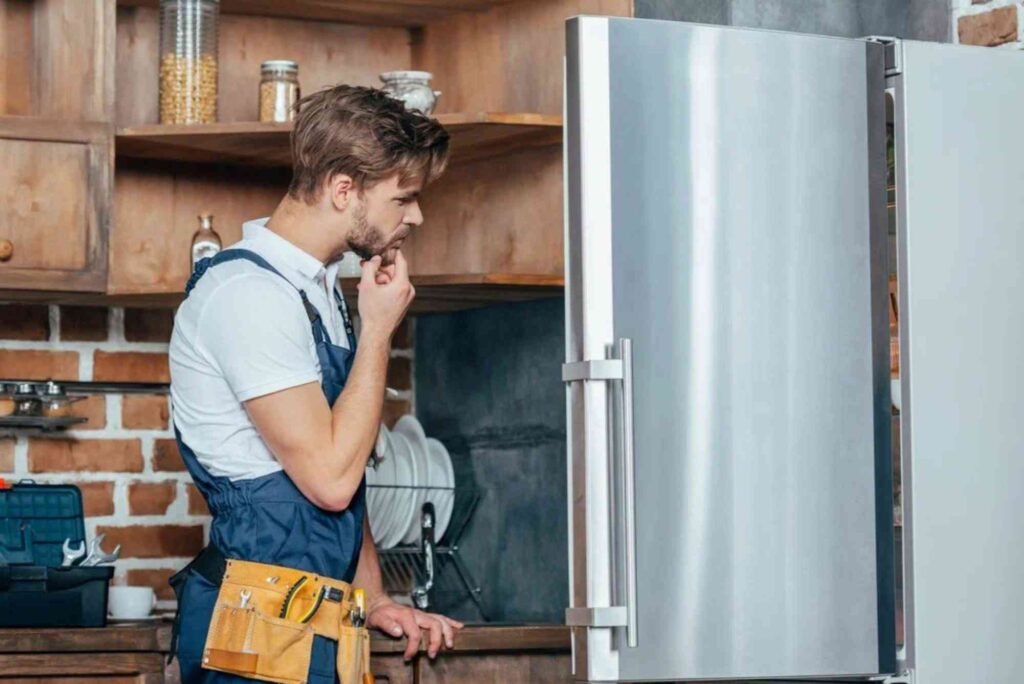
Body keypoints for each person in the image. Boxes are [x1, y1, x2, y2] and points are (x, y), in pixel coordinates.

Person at [167, 84, 463, 683]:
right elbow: (328, 481)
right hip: (252, 632)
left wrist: (374, 598)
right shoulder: (248, 295)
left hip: (321, 621)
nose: (416, 216)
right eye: (403, 198)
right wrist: (379, 333)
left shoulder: (317, 291)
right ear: (342, 189)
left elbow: (344, 481)